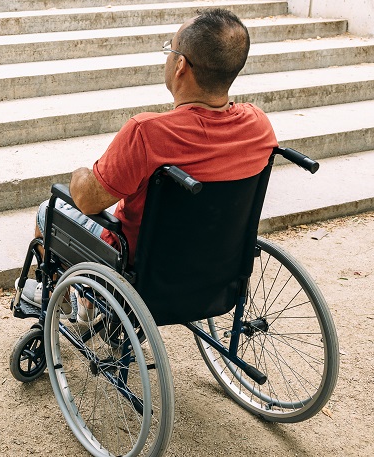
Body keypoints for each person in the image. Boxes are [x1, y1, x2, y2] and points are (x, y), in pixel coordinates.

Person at [23, 8, 278, 316]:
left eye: (171, 49)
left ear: (181, 65)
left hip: (140, 269)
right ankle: (91, 306)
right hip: (216, 263)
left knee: (48, 211)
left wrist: (80, 174)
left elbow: (87, 201)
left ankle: (63, 301)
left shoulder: (148, 133)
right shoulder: (258, 125)